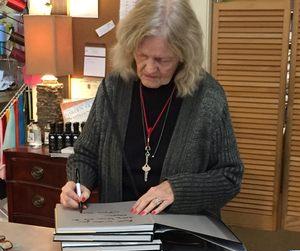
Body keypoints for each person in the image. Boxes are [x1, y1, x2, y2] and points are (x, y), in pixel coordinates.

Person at [60, 0, 243, 217]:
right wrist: (78, 183)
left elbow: (230, 176)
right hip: (120, 231)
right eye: (142, 55)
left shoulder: (207, 97)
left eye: (162, 60)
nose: (149, 68)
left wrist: (176, 189)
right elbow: (85, 155)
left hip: (182, 235)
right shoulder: (114, 87)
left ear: (184, 55)